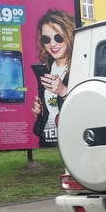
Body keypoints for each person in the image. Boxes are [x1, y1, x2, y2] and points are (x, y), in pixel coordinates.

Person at [31, 9, 75, 147]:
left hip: (73, 142)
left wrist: (63, 91)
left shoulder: (81, 65)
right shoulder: (46, 69)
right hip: (49, 141)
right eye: (46, 39)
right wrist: (39, 110)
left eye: (58, 37)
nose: (52, 44)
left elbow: (87, 110)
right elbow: (50, 109)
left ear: (69, 36)